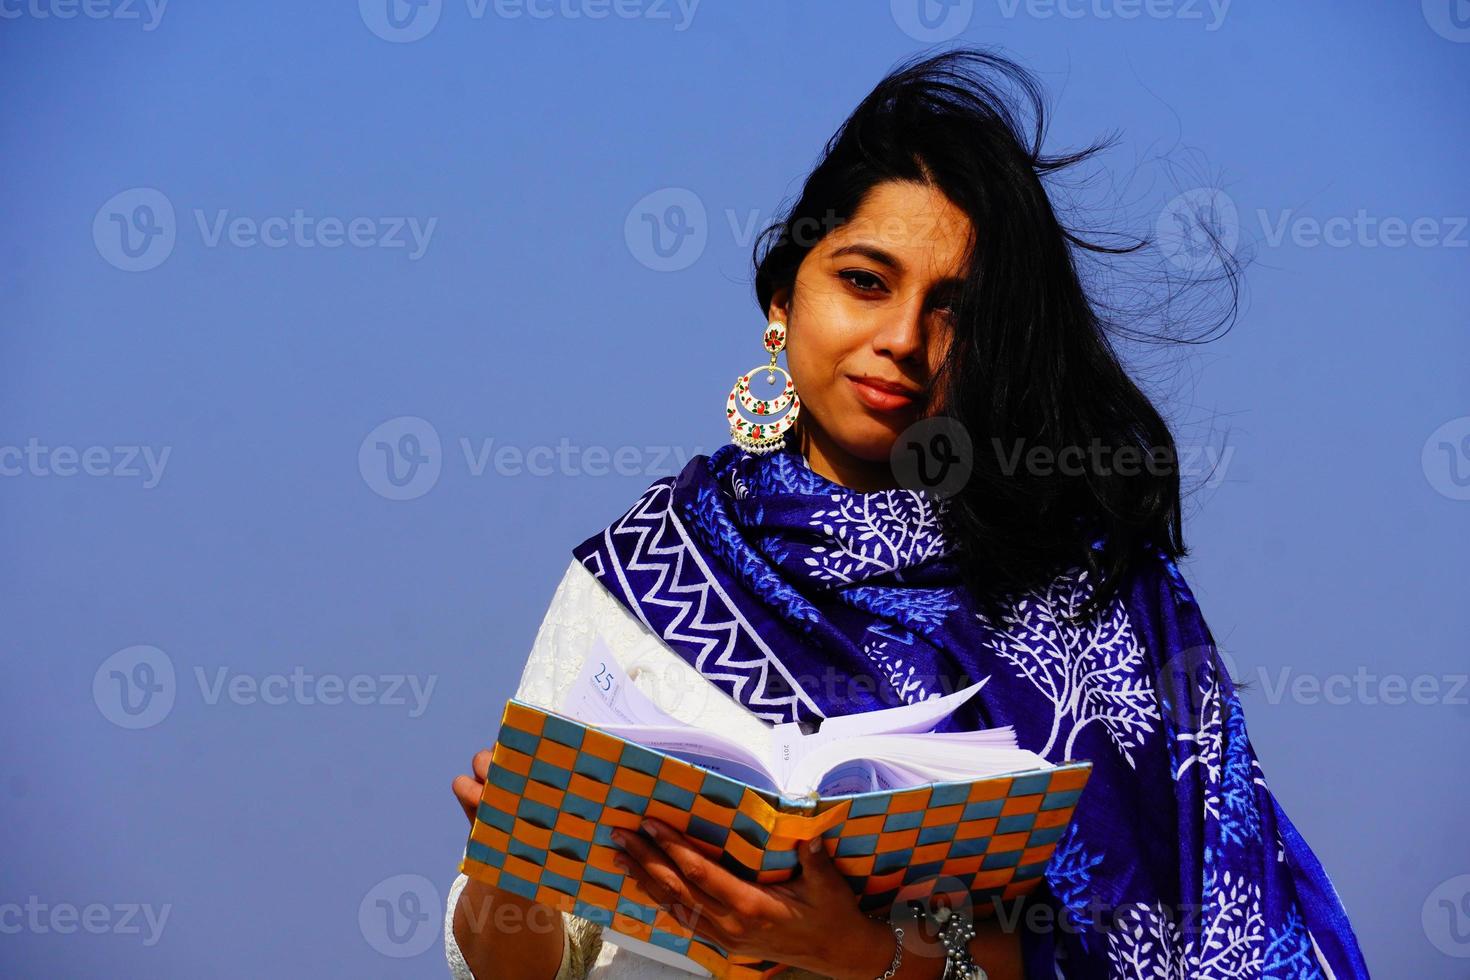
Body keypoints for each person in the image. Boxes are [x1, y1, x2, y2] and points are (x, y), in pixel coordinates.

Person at [445, 47, 1371, 979]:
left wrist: (865, 952)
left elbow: (1154, 929)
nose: (900, 341)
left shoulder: (1087, 596)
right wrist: (507, 871)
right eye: (865, 281)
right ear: (783, 300)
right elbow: (518, 961)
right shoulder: (647, 572)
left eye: (954, 313)